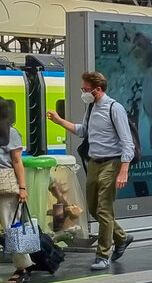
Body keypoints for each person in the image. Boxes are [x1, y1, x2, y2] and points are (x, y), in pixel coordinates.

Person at [47, 71, 135, 270]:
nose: (83, 92)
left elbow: (127, 142)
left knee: (104, 209)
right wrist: (59, 120)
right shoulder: (91, 107)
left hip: (111, 163)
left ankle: (102, 254)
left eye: (85, 89)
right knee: (94, 208)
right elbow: (83, 131)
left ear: (97, 89)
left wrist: (123, 171)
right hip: (94, 162)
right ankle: (121, 237)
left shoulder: (115, 108)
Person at [0, 104, 33, 283]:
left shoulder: (11, 133)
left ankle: (23, 268)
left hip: (5, 186)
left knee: (11, 229)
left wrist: (22, 188)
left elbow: (17, 161)